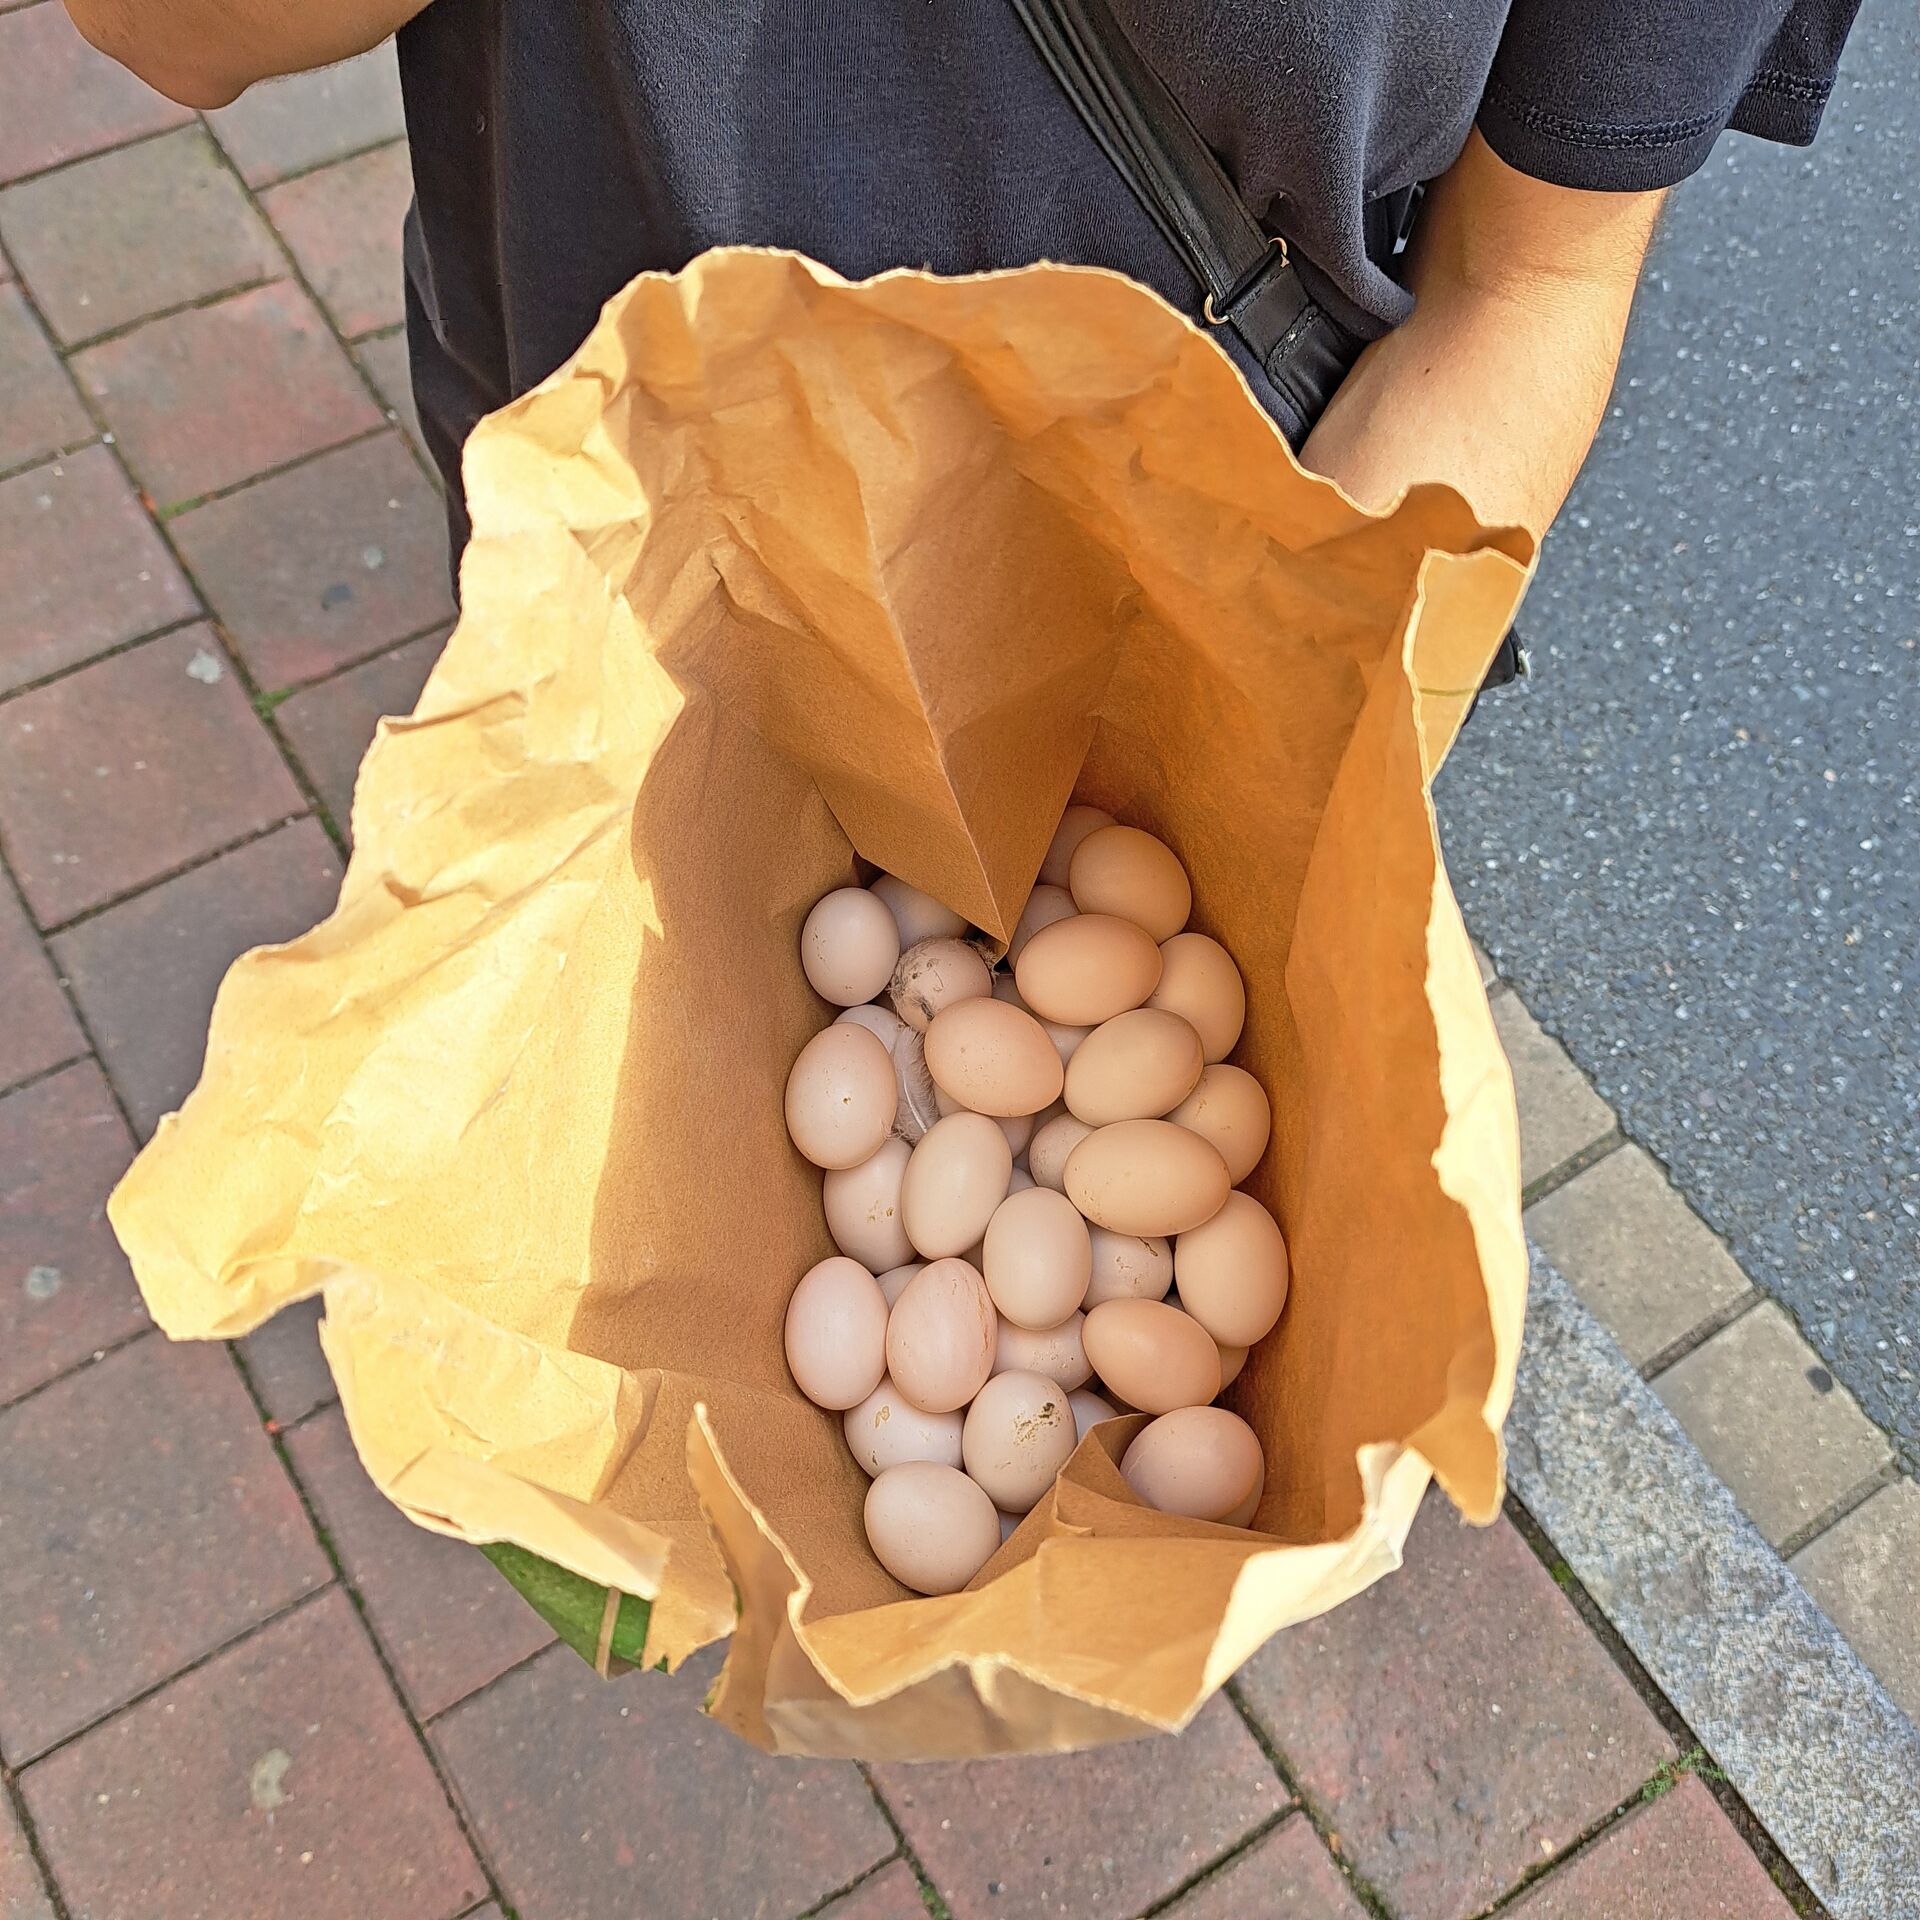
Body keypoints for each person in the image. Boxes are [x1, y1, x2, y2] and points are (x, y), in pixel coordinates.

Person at [68, 0, 1861, 558]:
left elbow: (1529, 287)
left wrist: (1276, 830)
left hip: (1162, 644)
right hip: (608, 547)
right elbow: (172, 27)